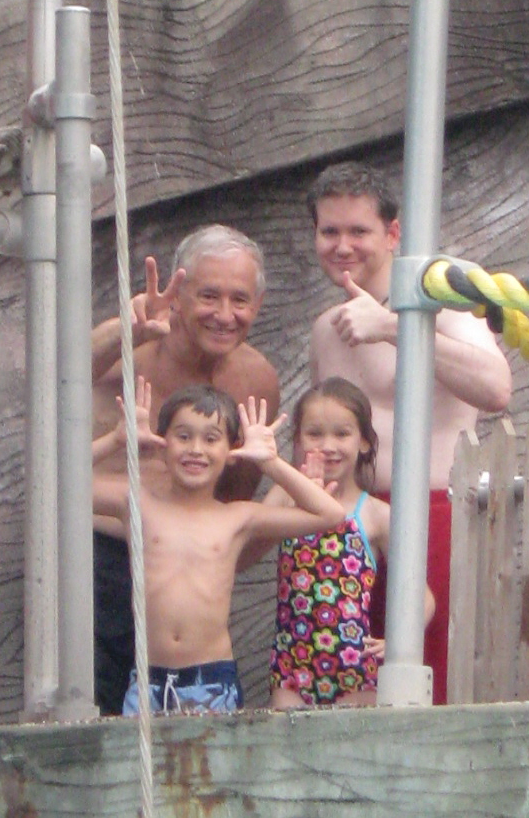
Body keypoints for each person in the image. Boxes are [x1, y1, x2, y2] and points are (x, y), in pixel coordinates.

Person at [307, 161, 512, 704]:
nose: (343, 245)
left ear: (393, 233)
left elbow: (496, 388)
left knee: (433, 680)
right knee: (355, 685)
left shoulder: (442, 303)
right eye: (330, 231)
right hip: (350, 525)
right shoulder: (326, 330)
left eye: (359, 231)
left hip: (436, 515)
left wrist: (396, 327)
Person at [92, 224, 280, 715]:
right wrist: (125, 328)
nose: (224, 314)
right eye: (209, 296)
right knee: (101, 717)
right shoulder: (129, 351)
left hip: (190, 574)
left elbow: (236, 496)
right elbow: (54, 375)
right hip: (105, 562)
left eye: (240, 300)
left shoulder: (257, 379)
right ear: (177, 295)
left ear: (258, 305)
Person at [92, 379, 345, 715]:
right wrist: (115, 440)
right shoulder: (137, 504)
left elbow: (330, 514)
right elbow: (58, 480)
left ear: (231, 453)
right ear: (162, 444)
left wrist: (270, 462)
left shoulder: (238, 517)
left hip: (210, 680)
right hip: (147, 679)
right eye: (183, 436)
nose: (196, 449)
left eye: (211, 439)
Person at [266, 377, 435, 708]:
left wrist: (400, 642)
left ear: (364, 442)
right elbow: (250, 539)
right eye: (315, 434)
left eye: (342, 434)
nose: (328, 445)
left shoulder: (375, 514)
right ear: (297, 441)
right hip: (291, 667)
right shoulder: (285, 497)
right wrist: (301, 495)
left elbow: (421, 595)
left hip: (353, 668)